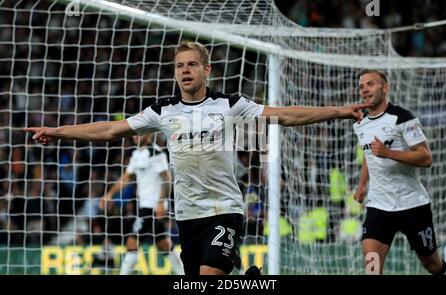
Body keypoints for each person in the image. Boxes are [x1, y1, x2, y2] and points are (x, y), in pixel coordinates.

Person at [24, 41, 370, 275]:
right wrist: (59, 131)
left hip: (224, 210)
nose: (185, 70)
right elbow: (109, 131)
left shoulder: (229, 105)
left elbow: (285, 115)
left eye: (192, 64)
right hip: (187, 216)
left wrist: (339, 111)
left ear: (208, 70)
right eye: (179, 65)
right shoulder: (162, 111)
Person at [353, 69, 446, 275]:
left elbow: (425, 157)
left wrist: (388, 153)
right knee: (372, 268)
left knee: (432, 266)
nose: (364, 89)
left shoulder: (403, 118)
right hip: (378, 206)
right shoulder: (360, 124)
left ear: (386, 88)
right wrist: (361, 185)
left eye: (370, 84)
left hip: (412, 205)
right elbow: (369, 154)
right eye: (361, 86)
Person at [98, 133, 184, 275]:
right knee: (163, 244)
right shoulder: (137, 154)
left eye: (140, 133)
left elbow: (167, 179)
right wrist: (110, 194)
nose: (135, 136)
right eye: (134, 134)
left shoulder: (156, 153)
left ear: (149, 134)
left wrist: (161, 203)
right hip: (144, 206)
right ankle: (183, 274)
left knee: (132, 242)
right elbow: (126, 177)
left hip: (153, 207)